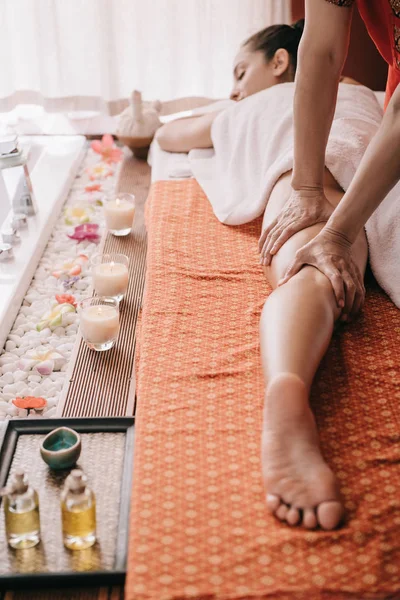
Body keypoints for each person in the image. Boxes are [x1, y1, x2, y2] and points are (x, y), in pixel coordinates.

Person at [156, 20, 371, 530]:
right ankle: (288, 404)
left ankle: (288, 391)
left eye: (239, 73)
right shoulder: (367, 91)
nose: (234, 89)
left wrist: (229, 107)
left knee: (310, 275)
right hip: (365, 184)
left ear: (279, 62)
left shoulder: (253, 105)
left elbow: (168, 133)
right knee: (324, 274)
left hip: (304, 177)